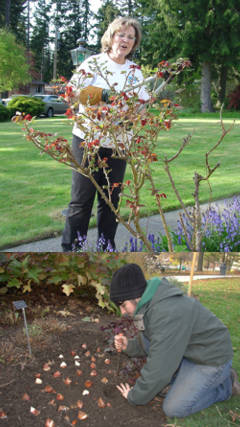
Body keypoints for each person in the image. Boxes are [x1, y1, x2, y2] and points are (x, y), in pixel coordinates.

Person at [62, 17, 149, 252]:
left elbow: (142, 105)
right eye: (122, 35)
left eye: (131, 37)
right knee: (81, 201)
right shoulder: (93, 64)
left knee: (111, 201)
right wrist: (104, 95)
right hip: (87, 140)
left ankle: (105, 250)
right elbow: (71, 93)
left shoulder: (135, 73)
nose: (126, 40)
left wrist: (134, 114)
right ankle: (72, 251)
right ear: (111, 37)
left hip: (119, 143)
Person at [110, 263, 240, 418]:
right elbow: (150, 338)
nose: (122, 312)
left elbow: (159, 370)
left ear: (137, 297)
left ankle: (227, 385)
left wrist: (134, 396)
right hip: (192, 352)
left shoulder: (167, 313)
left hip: (211, 358)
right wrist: (129, 345)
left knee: (174, 408)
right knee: (166, 387)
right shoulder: (148, 303)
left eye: (124, 305)